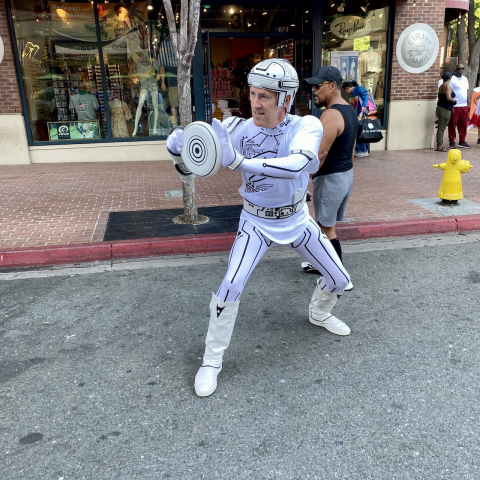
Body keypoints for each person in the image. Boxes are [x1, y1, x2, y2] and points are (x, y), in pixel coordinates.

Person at [166, 59, 351, 398]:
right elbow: (193, 168)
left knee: (340, 279)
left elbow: (299, 162)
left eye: (265, 96)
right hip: (256, 221)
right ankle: (211, 360)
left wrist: (238, 161)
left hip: (296, 219)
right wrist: (180, 151)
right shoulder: (237, 128)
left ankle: (319, 312)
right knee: (230, 286)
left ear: (286, 99)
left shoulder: (306, 125)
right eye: (253, 94)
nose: (256, 102)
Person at [299, 67, 357, 293]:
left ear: (332, 85)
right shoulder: (349, 111)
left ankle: (341, 277)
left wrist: (303, 184)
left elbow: (319, 155)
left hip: (331, 179)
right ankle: (320, 263)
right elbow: (351, 151)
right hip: (344, 176)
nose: (313, 90)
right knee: (325, 225)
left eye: (317, 86)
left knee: (326, 228)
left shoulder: (330, 114)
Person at [342, 81, 369, 157]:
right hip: (356, 115)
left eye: (345, 91)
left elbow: (366, 97)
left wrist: (363, 106)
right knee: (356, 132)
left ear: (348, 88)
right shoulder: (353, 94)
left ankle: (363, 150)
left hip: (361, 114)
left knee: (359, 132)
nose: (345, 93)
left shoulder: (359, 89)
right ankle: (359, 149)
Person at [448, 64, 470, 149]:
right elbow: (449, 91)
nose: (460, 70)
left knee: (463, 124)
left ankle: (462, 141)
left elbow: (467, 91)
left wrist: (468, 103)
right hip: (455, 105)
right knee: (452, 124)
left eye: (462, 68)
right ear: (455, 69)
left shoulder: (465, 79)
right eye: (459, 68)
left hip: (463, 105)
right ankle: (452, 141)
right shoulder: (452, 79)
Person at [435, 72, 456, 152]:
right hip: (445, 109)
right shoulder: (447, 86)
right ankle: (440, 146)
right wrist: (454, 102)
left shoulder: (441, 86)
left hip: (440, 107)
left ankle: (439, 145)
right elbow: (448, 98)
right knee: (441, 128)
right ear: (449, 78)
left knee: (440, 127)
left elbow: (440, 97)